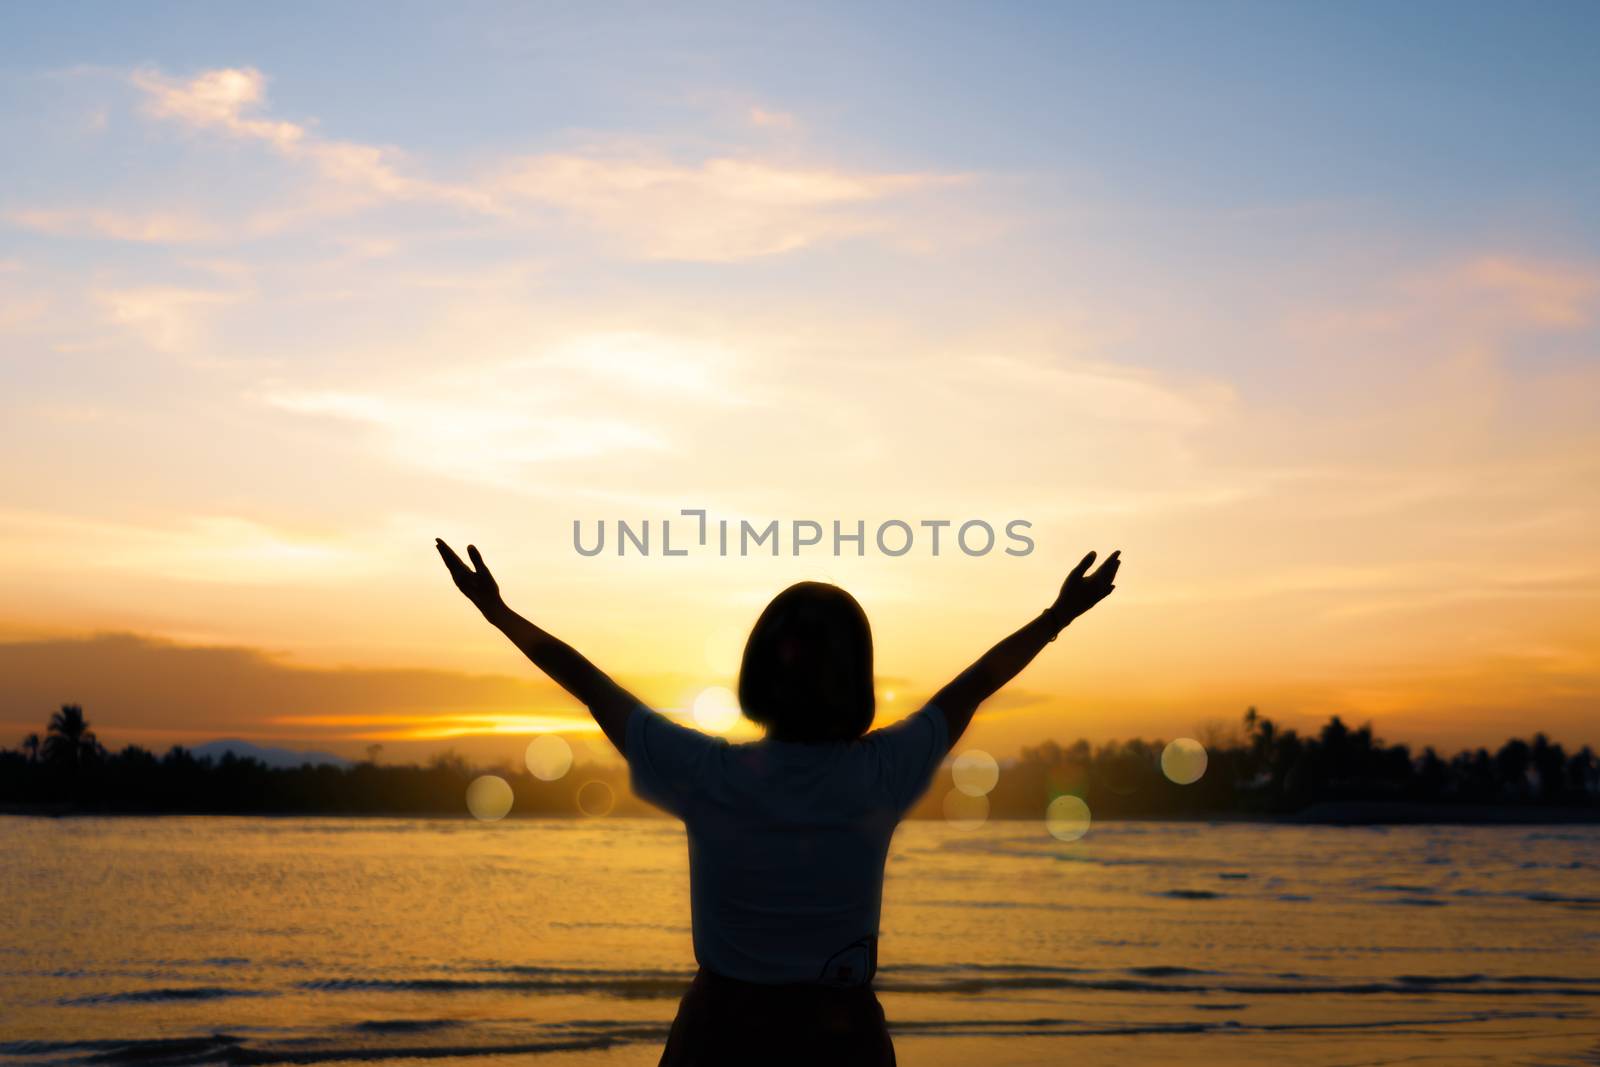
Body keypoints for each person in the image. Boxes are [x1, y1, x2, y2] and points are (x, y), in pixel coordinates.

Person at [436, 539, 1120, 1066]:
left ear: (760, 669)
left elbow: (588, 682)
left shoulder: (708, 771)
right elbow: (976, 684)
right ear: (857, 680)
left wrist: (497, 613)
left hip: (721, 1034)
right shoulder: (880, 769)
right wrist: (1056, 616)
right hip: (840, 1039)